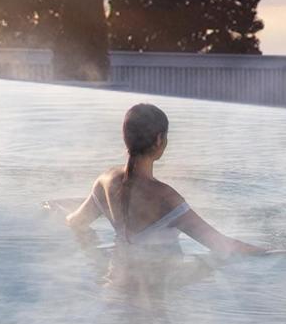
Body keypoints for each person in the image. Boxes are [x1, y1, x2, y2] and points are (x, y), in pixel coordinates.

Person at [64, 102, 267, 264]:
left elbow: (75, 222)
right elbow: (222, 246)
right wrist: (281, 253)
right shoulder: (166, 199)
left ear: (126, 137)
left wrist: (99, 263)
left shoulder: (105, 181)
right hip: (153, 300)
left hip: (114, 288)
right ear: (160, 139)